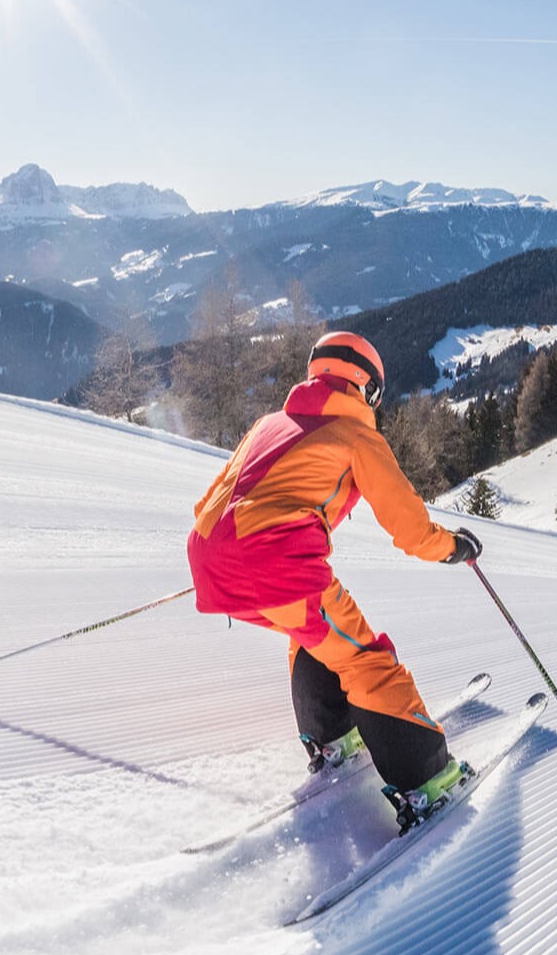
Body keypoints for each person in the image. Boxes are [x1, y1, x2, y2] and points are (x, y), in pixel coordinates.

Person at [187, 330, 484, 820]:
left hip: (209, 556)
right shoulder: (357, 436)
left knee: (313, 631)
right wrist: (452, 546)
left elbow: (225, 496)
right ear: (367, 388)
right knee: (368, 659)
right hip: (274, 564)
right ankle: (426, 780)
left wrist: (228, 558)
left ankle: (333, 735)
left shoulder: (270, 424)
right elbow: (410, 527)